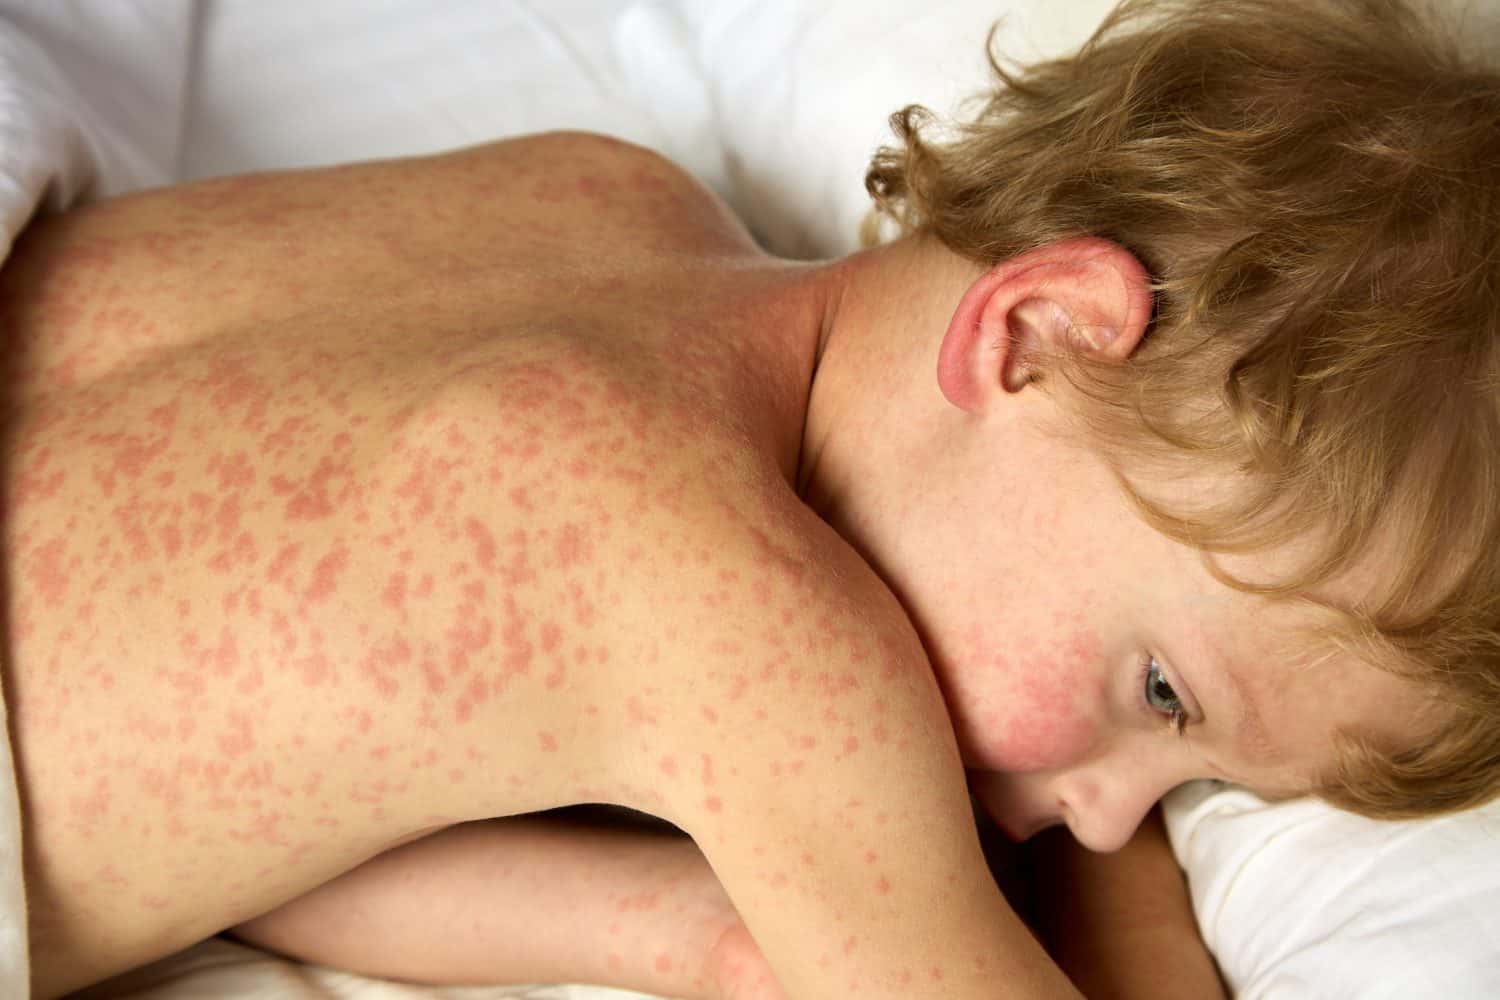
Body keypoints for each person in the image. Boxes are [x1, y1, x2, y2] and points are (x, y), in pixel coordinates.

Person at [6, 0, 1496, 996]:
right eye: (1165, 696)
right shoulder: (747, 630)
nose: (1111, 823)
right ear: (1034, 334)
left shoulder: (606, 192)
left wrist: (696, 937)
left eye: (1188, 790)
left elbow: (265, 819)